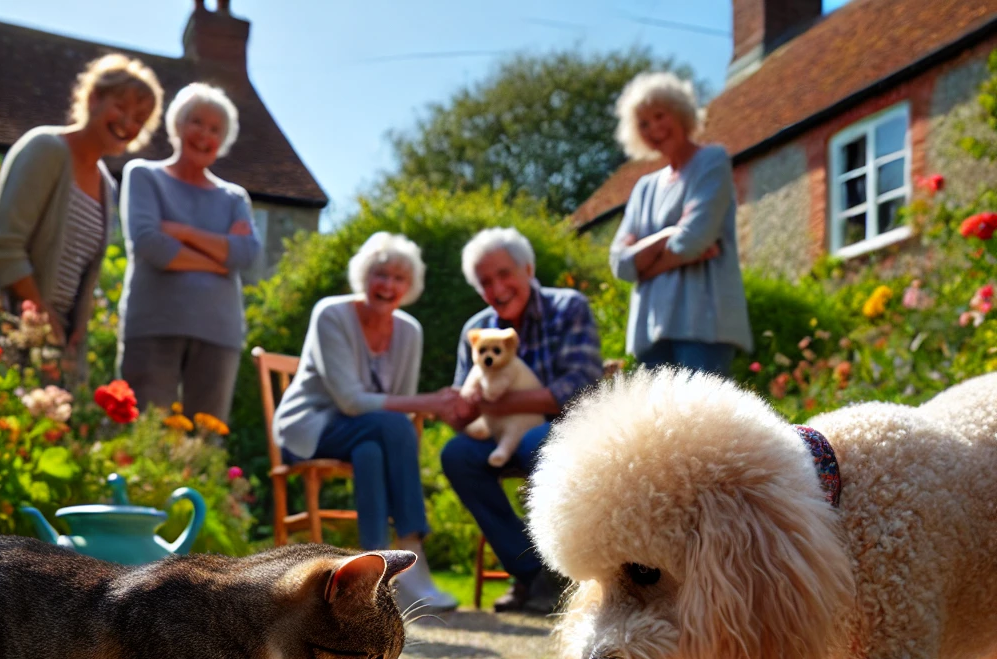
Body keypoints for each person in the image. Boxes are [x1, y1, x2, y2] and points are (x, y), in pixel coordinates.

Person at [273, 232, 460, 614]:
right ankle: (413, 555)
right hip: (309, 429)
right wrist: (431, 402)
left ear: (409, 286)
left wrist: (419, 406)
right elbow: (351, 400)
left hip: (366, 433)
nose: (388, 285)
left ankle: (375, 574)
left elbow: (393, 406)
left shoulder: (410, 331)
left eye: (398, 278)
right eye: (380, 274)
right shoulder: (332, 314)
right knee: (391, 428)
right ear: (363, 276)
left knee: (373, 448)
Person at [0, 54, 163, 386]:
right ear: (93, 98)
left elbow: (82, 279)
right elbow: (5, 245)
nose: (129, 123)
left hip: (50, 342)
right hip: (2, 326)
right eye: (121, 107)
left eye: (140, 119)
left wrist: (71, 339)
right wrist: (44, 321)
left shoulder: (107, 186)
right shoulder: (46, 148)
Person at [441, 228, 604, 614]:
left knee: (537, 442)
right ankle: (531, 572)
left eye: (503, 274)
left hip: (562, 429)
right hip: (497, 434)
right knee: (457, 455)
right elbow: (466, 402)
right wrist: (457, 410)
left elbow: (579, 386)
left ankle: (558, 569)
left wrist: (496, 403)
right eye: (485, 282)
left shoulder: (568, 307)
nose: (496, 288)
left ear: (528, 268)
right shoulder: (476, 329)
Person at [118, 83, 260, 423]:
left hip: (218, 332)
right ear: (178, 125)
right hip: (154, 325)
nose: (204, 134)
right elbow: (152, 246)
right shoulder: (144, 176)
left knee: (205, 443)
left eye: (215, 129)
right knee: (148, 435)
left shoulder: (234, 198)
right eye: (197, 122)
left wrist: (181, 232)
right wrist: (219, 257)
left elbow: (246, 255)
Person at [609, 71, 752, 375]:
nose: (654, 128)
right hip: (649, 331)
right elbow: (619, 263)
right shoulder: (643, 188)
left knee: (705, 420)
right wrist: (667, 237)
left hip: (703, 325)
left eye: (660, 115)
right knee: (657, 422)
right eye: (644, 123)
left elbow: (694, 239)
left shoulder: (711, 161)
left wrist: (644, 266)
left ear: (681, 113)